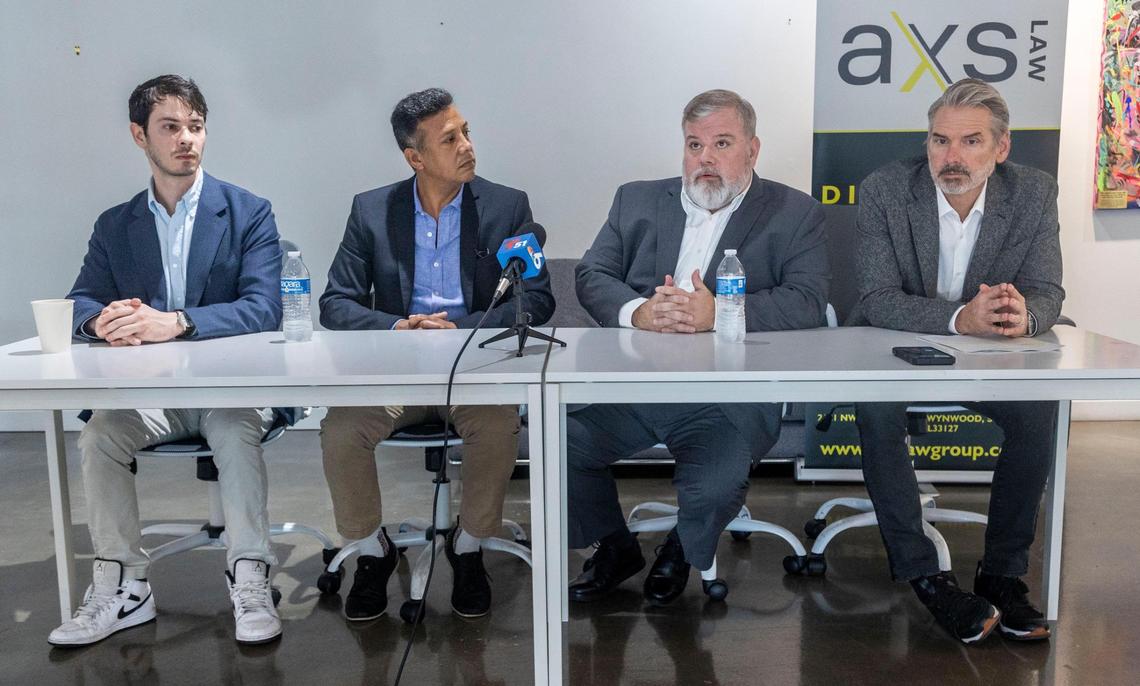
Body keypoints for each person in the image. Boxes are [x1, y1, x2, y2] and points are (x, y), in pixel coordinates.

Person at [568, 89, 830, 605]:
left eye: (721, 143)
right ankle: (616, 546)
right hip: (636, 388)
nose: (705, 158)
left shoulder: (795, 212)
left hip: (726, 399)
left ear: (752, 151)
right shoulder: (636, 200)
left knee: (710, 487)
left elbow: (808, 301)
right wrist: (638, 311)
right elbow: (591, 274)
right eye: (694, 145)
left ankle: (683, 547)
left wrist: (721, 313)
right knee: (562, 445)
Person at [52, 75, 286, 646]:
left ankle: (250, 574)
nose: (187, 139)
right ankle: (123, 582)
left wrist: (176, 322)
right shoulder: (116, 224)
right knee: (100, 432)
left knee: (232, 427)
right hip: (153, 398)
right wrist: (96, 321)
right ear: (140, 136)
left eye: (196, 126)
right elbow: (80, 297)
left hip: (230, 393)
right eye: (171, 127)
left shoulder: (249, 211)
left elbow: (265, 307)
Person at [319, 87, 554, 620]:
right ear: (415, 157)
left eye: (467, 131)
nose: (468, 145)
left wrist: (459, 329)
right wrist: (400, 325)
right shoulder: (373, 210)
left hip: (471, 368)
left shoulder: (506, 206)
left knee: (496, 429)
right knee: (339, 432)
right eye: (451, 139)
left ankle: (469, 547)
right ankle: (372, 551)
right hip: (397, 370)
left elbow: (536, 299)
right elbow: (335, 303)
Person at [850, 78, 1064, 644]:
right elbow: (874, 297)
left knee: (1037, 407)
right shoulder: (886, 189)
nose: (951, 157)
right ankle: (926, 577)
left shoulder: (1034, 192)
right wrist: (956, 320)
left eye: (970, 142)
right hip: (892, 347)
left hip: (986, 353)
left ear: (1002, 148)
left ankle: (1001, 574)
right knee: (875, 408)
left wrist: (1026, 315)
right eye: (939, 141)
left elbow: (1047, 290)